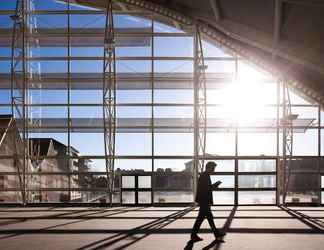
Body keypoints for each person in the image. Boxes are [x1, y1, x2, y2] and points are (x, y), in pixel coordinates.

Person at [190, 161, 226, 241]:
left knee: (207, 218)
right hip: (204, 201)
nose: (214, 170)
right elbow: (207, 189)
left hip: (203, 200)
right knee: (204, 218)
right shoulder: (205, 176)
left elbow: (206, 188)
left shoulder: (205, 175)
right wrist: (215, 185)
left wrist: (214, 186)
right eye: (213, 168)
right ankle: (194, 235)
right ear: (209, 168)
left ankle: (215, 234)